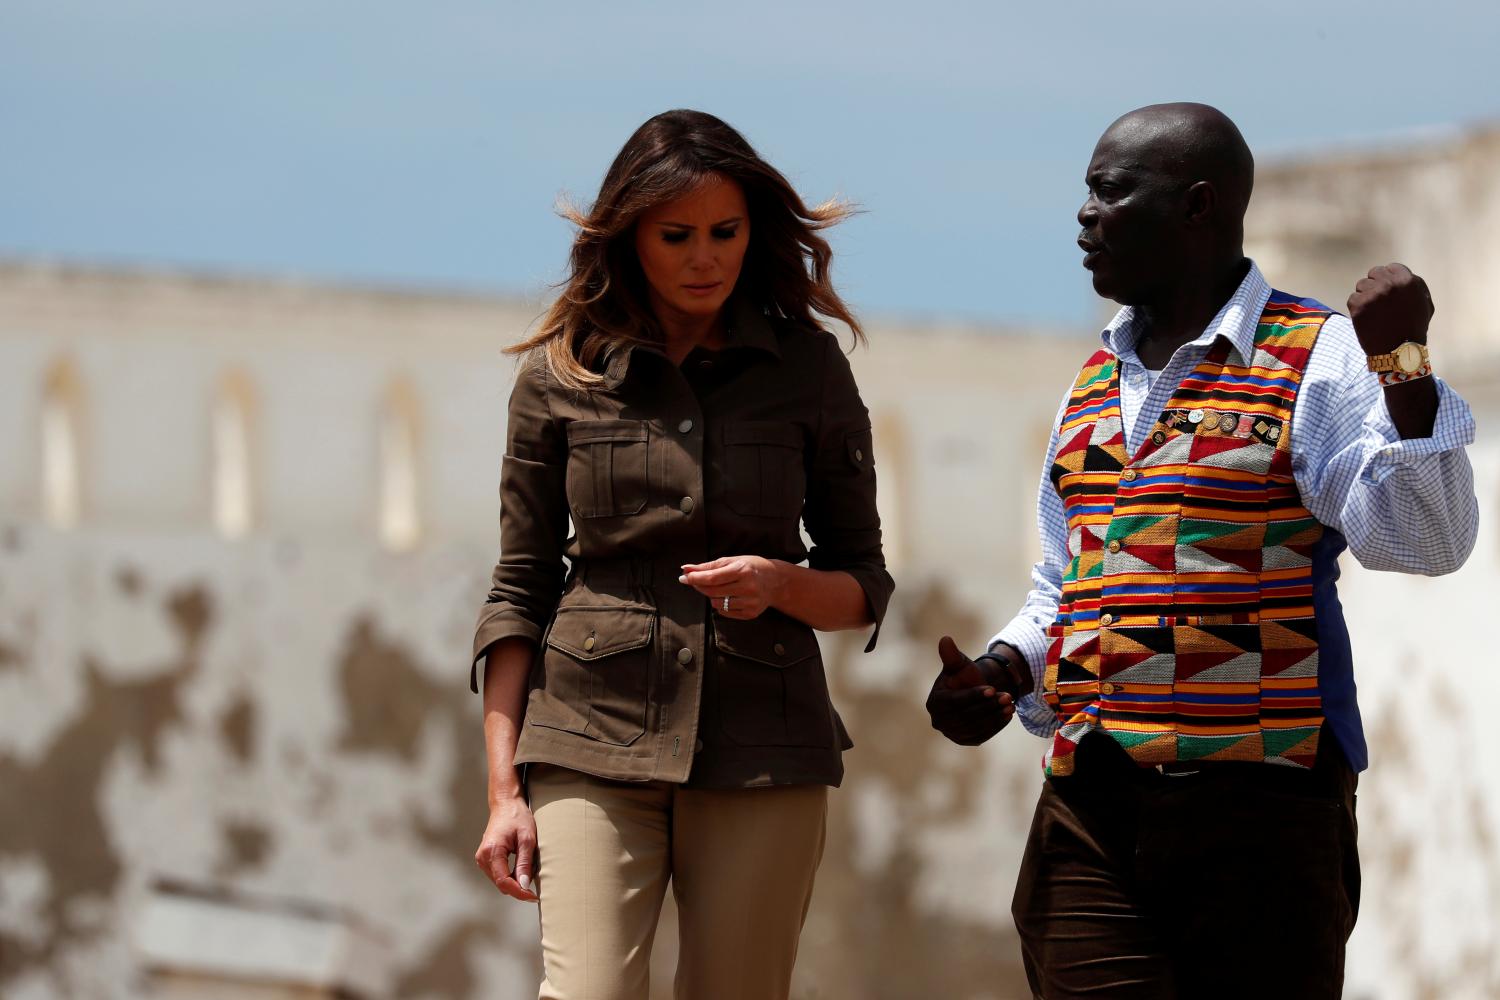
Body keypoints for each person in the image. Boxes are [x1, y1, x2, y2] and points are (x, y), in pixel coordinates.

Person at [925, 103, 1477, 998]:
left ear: (1197, 205)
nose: (1085, 215)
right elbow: (1071, 583)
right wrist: (1003, 669)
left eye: (1110, 192)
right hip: (1092, 811)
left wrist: (1405, 367)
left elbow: (1426, 542)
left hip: (1263, 817)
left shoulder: (1319, 356)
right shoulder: (1096, 378)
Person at [470, 109, 891, 1000]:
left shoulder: (809, 370)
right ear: (630, 238)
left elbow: (864, 587)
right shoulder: (559, 373)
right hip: (587, 733)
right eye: (678, 236)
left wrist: (781, 584)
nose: (706, 257)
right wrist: (505, 791)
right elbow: (519, 586)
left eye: (726, 233)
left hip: (764, 741)